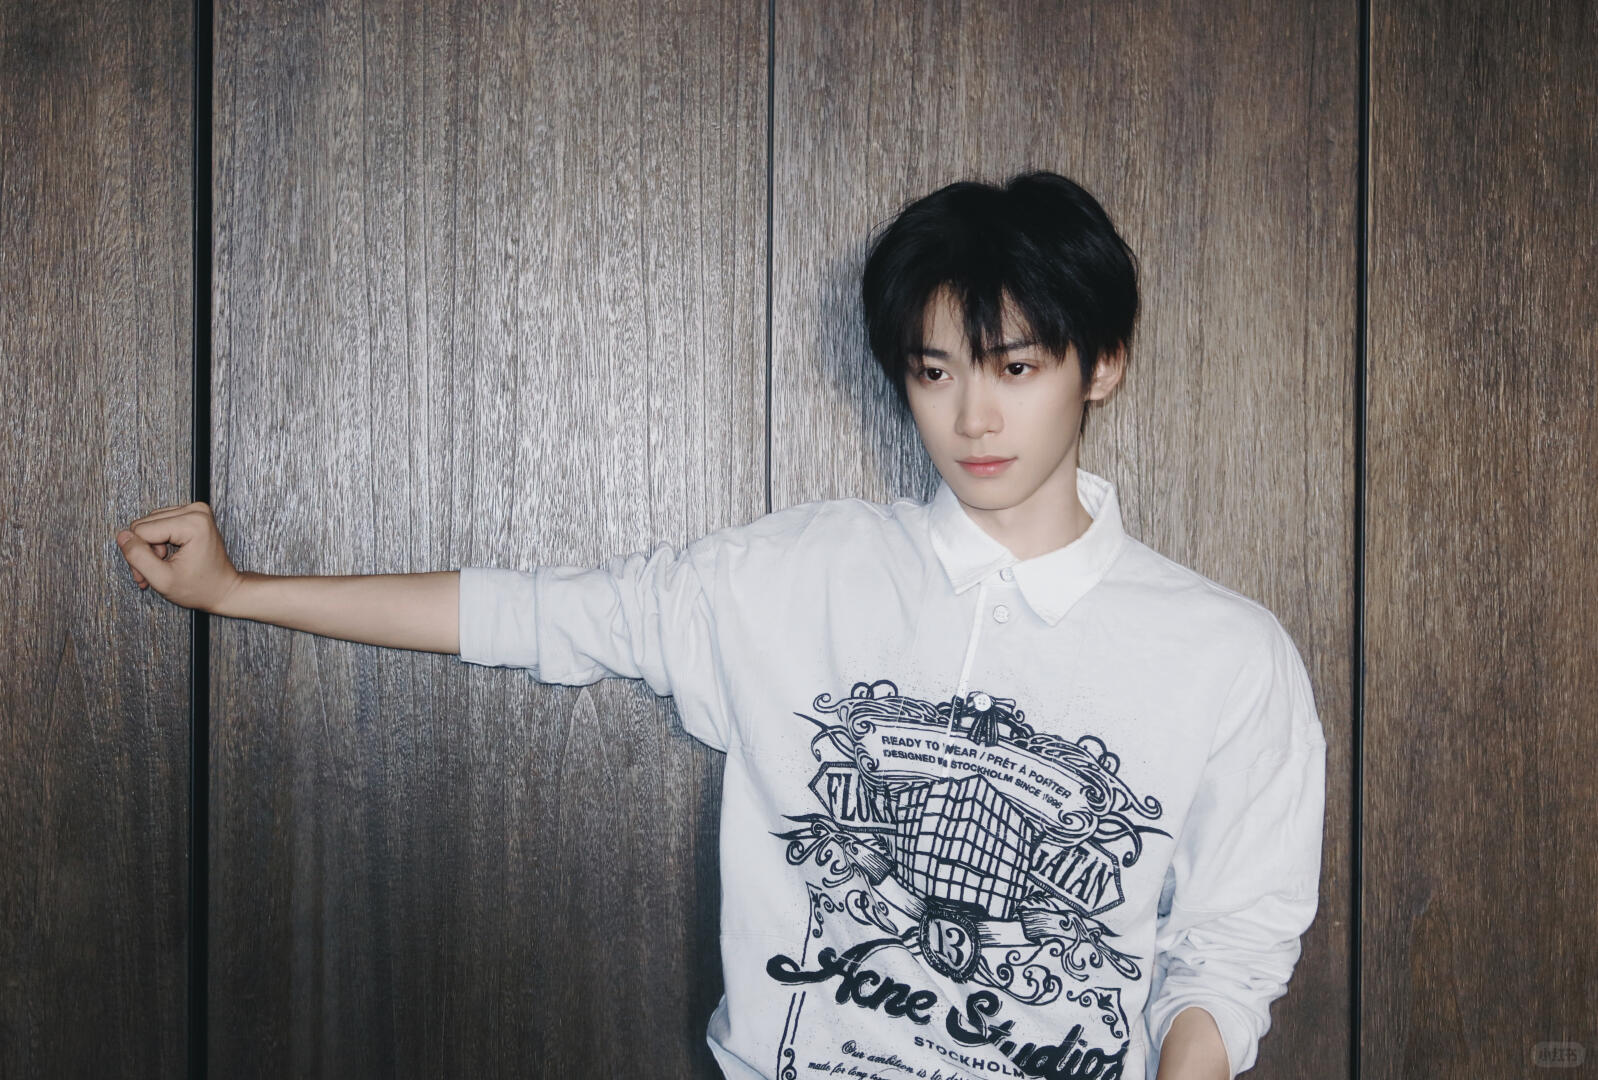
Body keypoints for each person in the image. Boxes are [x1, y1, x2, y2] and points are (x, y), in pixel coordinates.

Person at [115, 171, 1326, 1080]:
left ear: (1099, 365)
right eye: (932, 371)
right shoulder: (792, 577)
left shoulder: (1224, 656)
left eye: (1013, 368)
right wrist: (240, 590)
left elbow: (1229, 945)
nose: (970, 417)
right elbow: (535, 613)